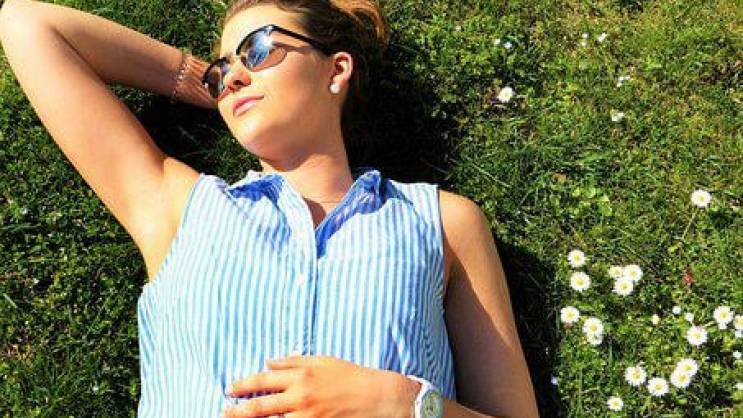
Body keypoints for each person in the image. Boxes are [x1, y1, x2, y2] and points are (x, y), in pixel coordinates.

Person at [0, 0, 539, 417]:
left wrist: (401, 404)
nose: (233, 75)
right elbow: (27, 24)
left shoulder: (442, 222)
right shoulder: (179, 208)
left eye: (258, 50)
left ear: (336, 70)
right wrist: (200, 81)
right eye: (223, 70)